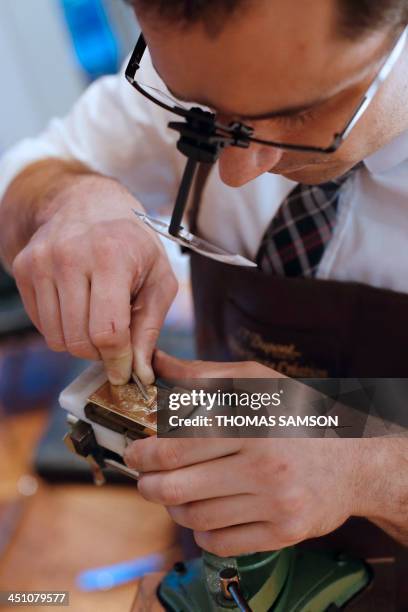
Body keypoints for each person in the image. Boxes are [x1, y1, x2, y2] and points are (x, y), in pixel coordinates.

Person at [0, 0, 406, 579]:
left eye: (300, 115)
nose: (236, 172)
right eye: (204, 112)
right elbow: (31, 167)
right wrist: (68, 203)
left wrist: (373, 470)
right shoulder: (215, 63)